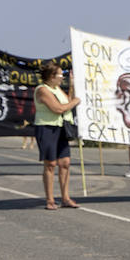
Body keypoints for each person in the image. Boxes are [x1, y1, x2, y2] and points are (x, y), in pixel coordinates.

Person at [33, 62, 82, 209]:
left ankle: (65, 197)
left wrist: (72, 86)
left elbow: (66, 100)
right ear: (51, 76)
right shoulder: (43, 90)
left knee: (65, 162)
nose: (62, 78)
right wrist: (75, 102)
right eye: (60, 75)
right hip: (47, 128)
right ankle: (50, 199)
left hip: (61, 128)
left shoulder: (57, 88)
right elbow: (58, 108)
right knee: (50, 164)